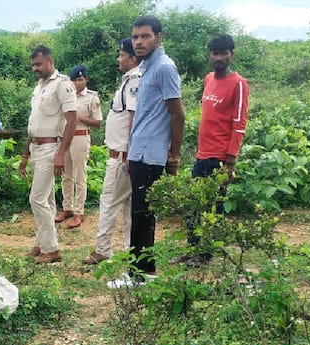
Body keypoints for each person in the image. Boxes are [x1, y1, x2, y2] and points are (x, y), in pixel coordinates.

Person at [107, 16, 185, 288]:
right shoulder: (147, 68)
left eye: (145, 36)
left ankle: (139, 275)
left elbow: (178, 116)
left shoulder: (164, 68)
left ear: (158, 38)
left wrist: (173, 156)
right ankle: (142, 271)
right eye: (136, 37)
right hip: (140, 153)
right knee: (140, 214)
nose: (139, 41)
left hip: (152, 156)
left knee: (142, 215)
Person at [175, 34, 249, 266]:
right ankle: (194, 249)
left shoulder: (238, 84)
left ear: (231, 55)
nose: (218, 58)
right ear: (209, 55)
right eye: (215, 53)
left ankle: (205, 255)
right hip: (202, 155)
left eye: (223, 53)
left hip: (220, 158)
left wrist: (230, 162)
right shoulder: (208, 79)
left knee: (213, 207)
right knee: (193, 204)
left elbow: (239, 124)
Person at [83, 39, 141, 265]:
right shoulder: (129, 81)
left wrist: (128, 152)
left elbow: (134, 118)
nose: (119, 59)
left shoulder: (134, 81)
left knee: (109, 202)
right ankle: (130, 249)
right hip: (124, 154)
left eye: (121, 55)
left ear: (132, 58)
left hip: (122, 155)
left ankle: (103, 250)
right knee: (127, 206)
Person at [19, 45, 78, 264]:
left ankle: (52, 249)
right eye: (33, 64)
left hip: (51, 147)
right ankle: (41, 242)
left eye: (39, 64)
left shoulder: (62, 84)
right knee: (48, 199)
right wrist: (25, 154)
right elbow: (33, 123)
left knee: (37, 199)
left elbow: (72, 120)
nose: (35, 68)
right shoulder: (39, 86)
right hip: (35, 147)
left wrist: (61, 154)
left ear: (50, 61)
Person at [54, 64, 102, 229]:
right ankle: (67, 208)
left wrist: (79, 117)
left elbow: (97, 123)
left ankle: (79, 212)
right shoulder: (66, 96)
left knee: (79, 176)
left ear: (86, 80)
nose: (77, 83)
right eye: (74, 80)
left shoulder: (91, 98)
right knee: (66, 176)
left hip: (81, 138)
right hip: (65, 139)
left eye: (80, 79)